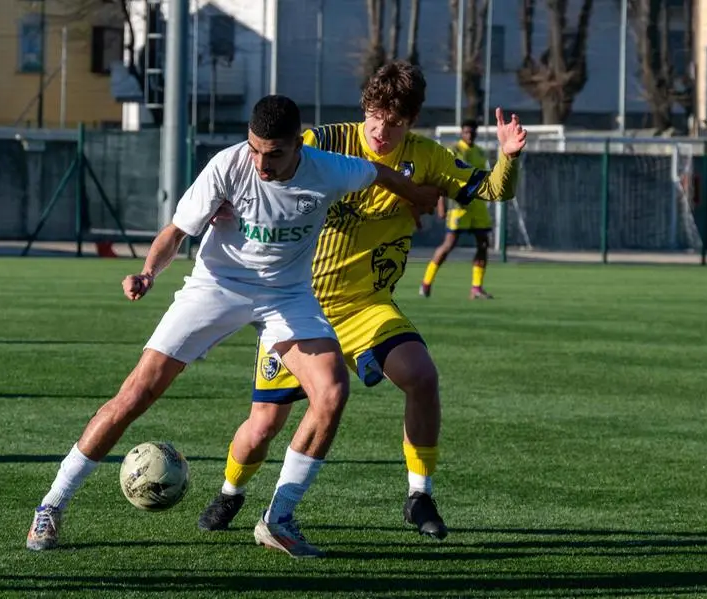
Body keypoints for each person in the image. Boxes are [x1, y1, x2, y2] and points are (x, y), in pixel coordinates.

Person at [25, 94, 439, 558]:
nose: (261, 163)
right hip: (216, 287)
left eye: (275, 153)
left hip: (287, 297)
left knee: (332, 391)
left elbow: (378, 172)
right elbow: (176, 231)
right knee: (135, 393)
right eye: (255, 149)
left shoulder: (329, 169)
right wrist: (148, 273)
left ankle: (279, 519)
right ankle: (51, 505)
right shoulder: (228, 165)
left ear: (297, 147)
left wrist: (419, 197)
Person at [197, 61, 526, 540]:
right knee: (263, 426)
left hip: (367, 307)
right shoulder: (327, 140)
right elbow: (267, 169)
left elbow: (495, 189)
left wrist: (509, 155)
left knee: (422, 376)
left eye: (393, 122)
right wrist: (227, 205)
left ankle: (419, 495)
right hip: (299, 305)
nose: (380, 129)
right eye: (374, 116)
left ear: (410, 122)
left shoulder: (428, 157)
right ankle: (230, 492)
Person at [420, 119, 497, 299]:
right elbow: (442, 176)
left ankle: (476, 288)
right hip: (458, 205)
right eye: (466, 132)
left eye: (472, 132)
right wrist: (441, 204)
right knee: (449, 244)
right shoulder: (454, 151)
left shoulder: (480, 152)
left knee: (483, 244)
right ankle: (426, 283)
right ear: (462, 133)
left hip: (477, 205)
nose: (469, 135)